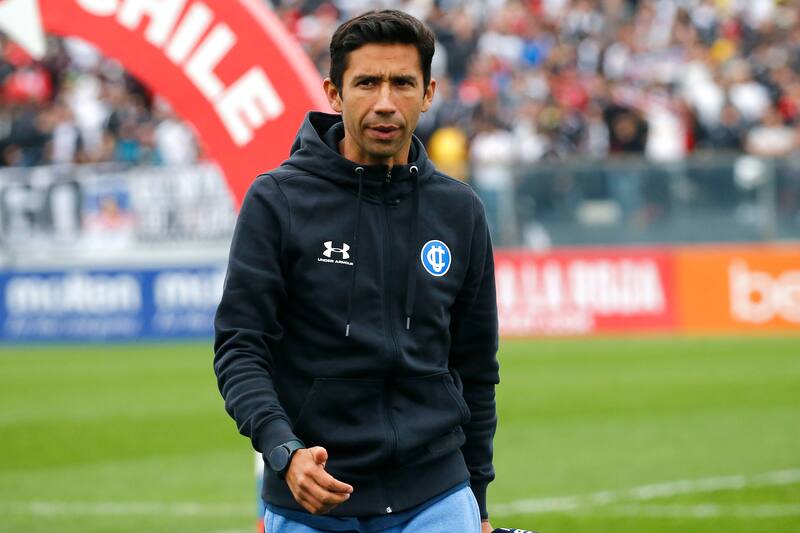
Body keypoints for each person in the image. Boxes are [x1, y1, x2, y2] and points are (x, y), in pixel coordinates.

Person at [214, 9, 500, 533]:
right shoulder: (277, 200)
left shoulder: (460, 211)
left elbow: (476, 366)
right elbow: (240, 346)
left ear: (429, 92)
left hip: (435, 493)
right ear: (334, 93)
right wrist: (284, 451)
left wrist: (477, 499)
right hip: (311, 502)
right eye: (367, 82)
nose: (386, 102)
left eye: (403, 84)